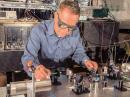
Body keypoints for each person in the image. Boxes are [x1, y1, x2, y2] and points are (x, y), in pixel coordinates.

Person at [21, 1, 98, 81]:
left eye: (71, 27)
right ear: (56, 16)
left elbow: (78, 53)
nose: (67, 32)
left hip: (64, 77)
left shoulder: (75, 31)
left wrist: (86, 61)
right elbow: (28, 57)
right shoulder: (38, 30)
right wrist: (35, 69)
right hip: (42, 77)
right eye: (63, 25)